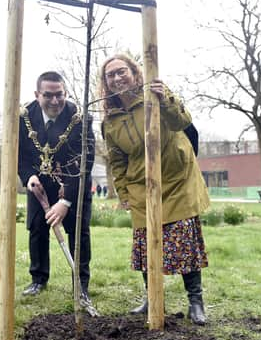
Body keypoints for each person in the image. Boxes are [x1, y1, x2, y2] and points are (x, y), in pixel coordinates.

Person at [98, 54, 210, 325]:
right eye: (110, 75)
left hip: (176, 180)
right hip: (142, 187)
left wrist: (166, 97)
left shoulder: (155, 97)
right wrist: (124, 193)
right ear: (106, 83)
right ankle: (152, 297)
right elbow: (117, 160)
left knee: (184, 245)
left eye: (121, 71)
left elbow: (182, 121)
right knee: (146, 247)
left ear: (135, 73)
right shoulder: (110, 120)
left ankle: (196, 301)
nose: (116, 78)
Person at [18, 71, 95, 309]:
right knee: (37, 229)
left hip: (72, 183)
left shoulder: (80, 118)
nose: (54, 101)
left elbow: (85, 160)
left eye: (59, 95)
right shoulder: (23, 116)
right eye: (48, 95)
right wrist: (29, 176)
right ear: (37, 94)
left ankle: (80, 285)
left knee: (78, 231)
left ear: (66, 93)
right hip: (39, 184)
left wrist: (66, 202)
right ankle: (38, 279)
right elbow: (19, 153)